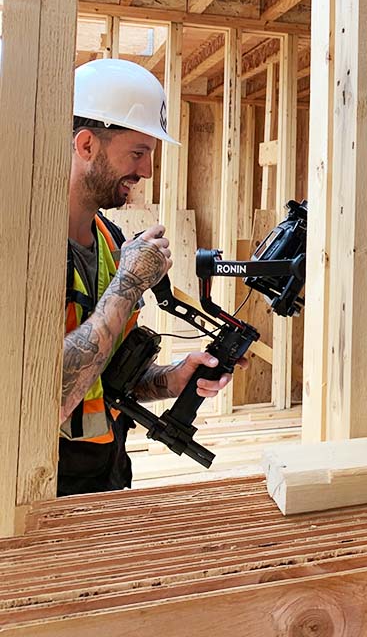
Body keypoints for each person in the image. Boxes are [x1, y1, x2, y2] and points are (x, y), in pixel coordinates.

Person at [60, 58, 233, 496]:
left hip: (109, 469)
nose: (147, 171)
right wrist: (127, 284)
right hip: (40, 483)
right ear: (86, 146)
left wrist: (173, 378)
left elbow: (108, 373)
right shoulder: (27, 250)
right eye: (138, 153)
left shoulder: (110, 240)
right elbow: (47, 399)